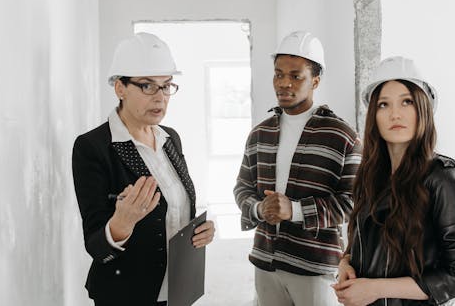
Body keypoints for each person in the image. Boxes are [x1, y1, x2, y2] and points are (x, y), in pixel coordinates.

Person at [72, 32, 215, 306]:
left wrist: (198, 230)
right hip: (127, 294)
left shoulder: (170, 137)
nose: (160, 97)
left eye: (166, 86)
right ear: (120, 88)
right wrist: (122, 223)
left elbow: (175, 210)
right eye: (147, 86)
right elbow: (96, 247)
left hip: (177, 291)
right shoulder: (93, 147)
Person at [233, 31, 362, 305]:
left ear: (315, 80)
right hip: (265, 263)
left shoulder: (342, 136)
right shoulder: (260, 134)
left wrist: (293, 210)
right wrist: (259, 209)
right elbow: (242, 187)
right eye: (278, 74)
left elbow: (353, 202)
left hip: (315, 268)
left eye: (295, 76)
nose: (284, 83)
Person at [332, 56, 455, 306]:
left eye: (407, 102)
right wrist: (345, 262)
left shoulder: (443, 179)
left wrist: (376, 289)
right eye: (384, 105)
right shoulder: (369, 176)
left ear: (423, 108)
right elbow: (362, 238)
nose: (395, 113)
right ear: (374, 114)